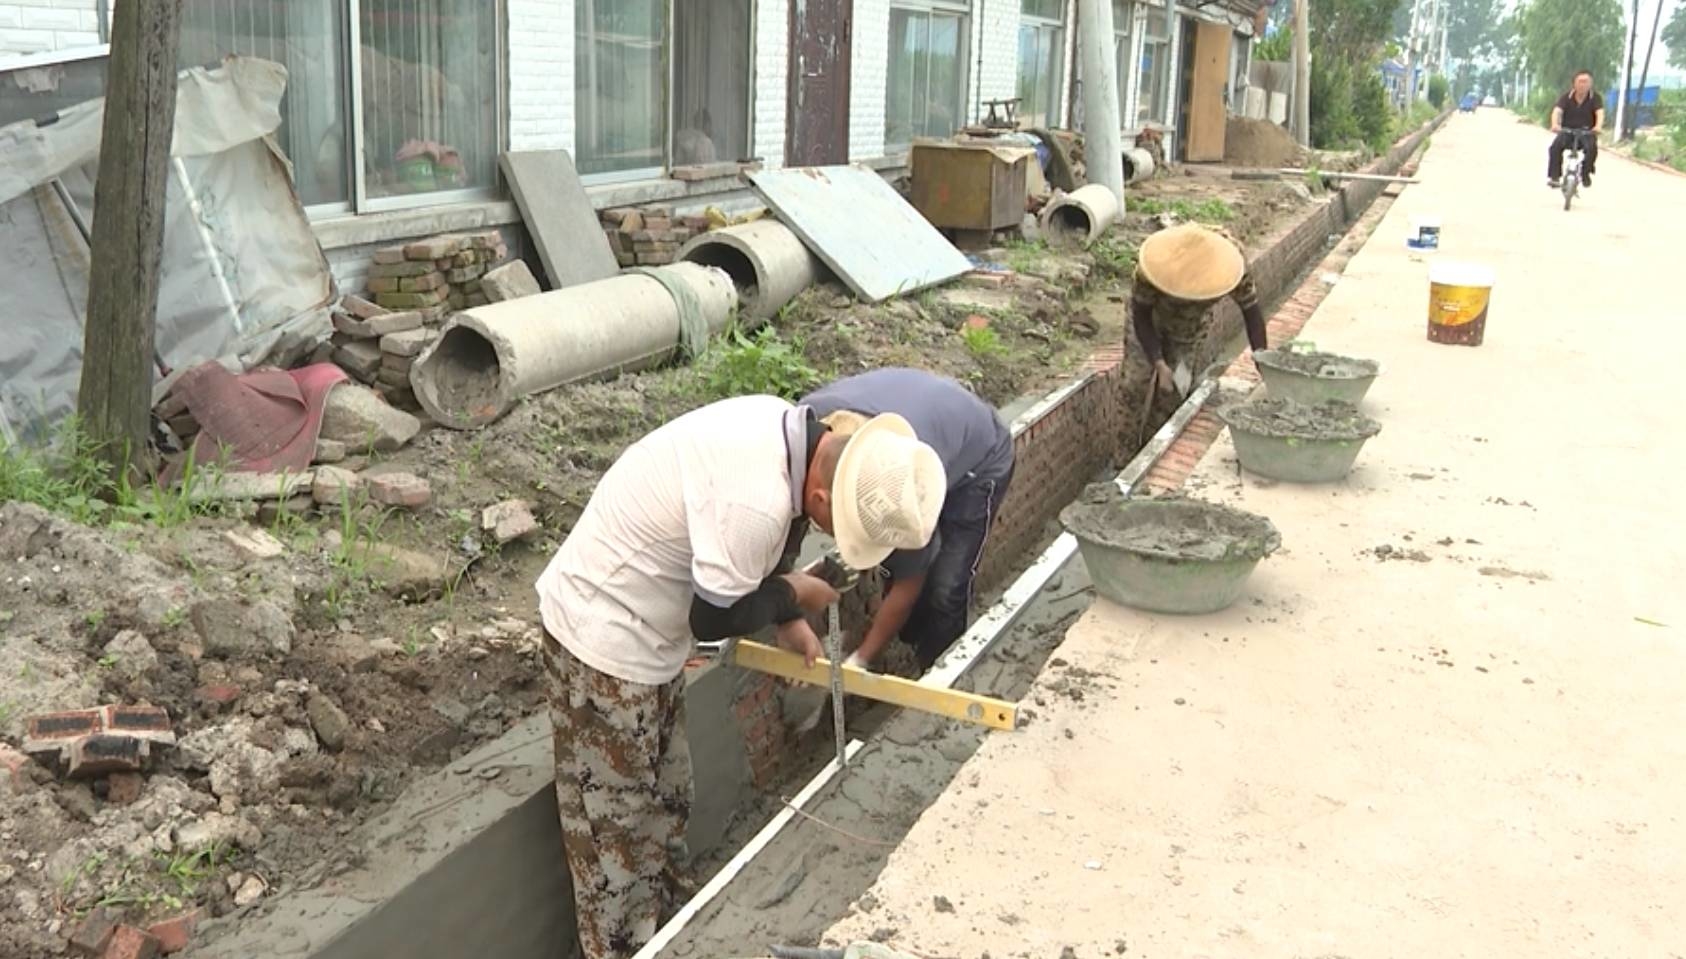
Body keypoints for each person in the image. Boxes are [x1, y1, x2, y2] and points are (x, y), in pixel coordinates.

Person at [535, 395, 946, 959]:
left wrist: (788, 614)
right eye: (836, 523)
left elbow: (763, 556)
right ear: (823, 494)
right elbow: (714, 617)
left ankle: (675, 934)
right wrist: (794, 592)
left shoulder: (792, 438)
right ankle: (621, 948)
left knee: (669, 794)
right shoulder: (755, 501)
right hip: (603, 639)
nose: (828, 533)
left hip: (649, 636)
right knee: (618, 832)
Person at [799, 368, 1016, 672]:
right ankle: (910, 635)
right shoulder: (807, 426)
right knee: (903, 574)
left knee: (946, 586)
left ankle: (939, 670)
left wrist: (861, 659)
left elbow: (907, 584)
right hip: (934, 420)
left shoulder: (896, 489)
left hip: (980, 460)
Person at [1130, 223, 1268, 403]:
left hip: (1189, 325)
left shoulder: (1232, 263)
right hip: (1153, 316)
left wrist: (1261, 359)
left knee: (1176, 390)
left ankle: (1165, 423)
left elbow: (1252, 314)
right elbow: (1141, 316)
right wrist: (1159, 363)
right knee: (1135, 384)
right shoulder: (1152, 267)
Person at [1547, 70, 1604, 189]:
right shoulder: (1566, 97)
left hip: (1587, 132)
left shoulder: (1595, 98)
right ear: (1574, 83)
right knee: (1555, 147)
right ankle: (1555, 177)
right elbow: (1557, 111)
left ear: (1591, 84)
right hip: (1568, 131)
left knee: (1592, 149)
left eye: (1586, 81)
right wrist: (1555, 124)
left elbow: (1599, 113)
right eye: (1580, 81)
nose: (1583, 84)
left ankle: (1585, 173)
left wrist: (1598, 126)